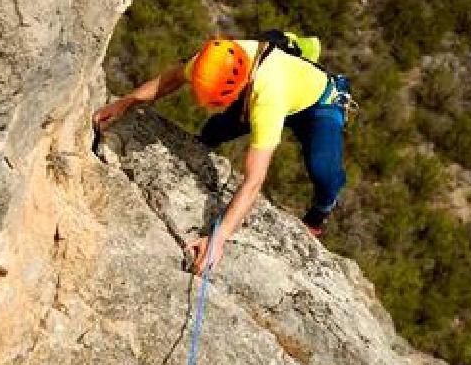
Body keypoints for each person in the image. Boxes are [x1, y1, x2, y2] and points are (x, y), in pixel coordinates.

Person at [93, 36, 348, 276]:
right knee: (215, 130)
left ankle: (320, 212)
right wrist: (126, 102)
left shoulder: (268, 95)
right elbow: (170, 79)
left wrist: (219, 237)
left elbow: (254, 180)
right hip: (268, 87)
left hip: (319, 104)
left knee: (323, 170)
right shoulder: (212, 61)